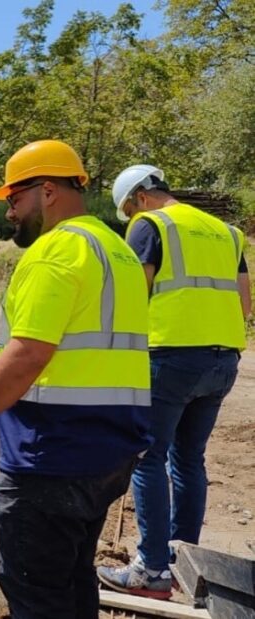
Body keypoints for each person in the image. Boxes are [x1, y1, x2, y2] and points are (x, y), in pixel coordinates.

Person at [0, 140, 152, 618]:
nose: (10, 212)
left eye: (15, 198)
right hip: (107, 451)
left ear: (48, 191)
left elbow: (27, 354)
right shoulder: (115, 250)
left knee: (36, 594)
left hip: (53, 452)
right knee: (72, 581)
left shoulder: (56, 252)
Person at [96, 165, 249, 599]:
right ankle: (185, 566)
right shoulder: (226, 232)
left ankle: (151, 570)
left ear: (140, 198)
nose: (131, 218)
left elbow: (132, 296)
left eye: (129, 210)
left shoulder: (151, 225)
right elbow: (244, 304)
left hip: (169, 357)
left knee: (148, 458)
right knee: (189, 460)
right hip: (222, 360)